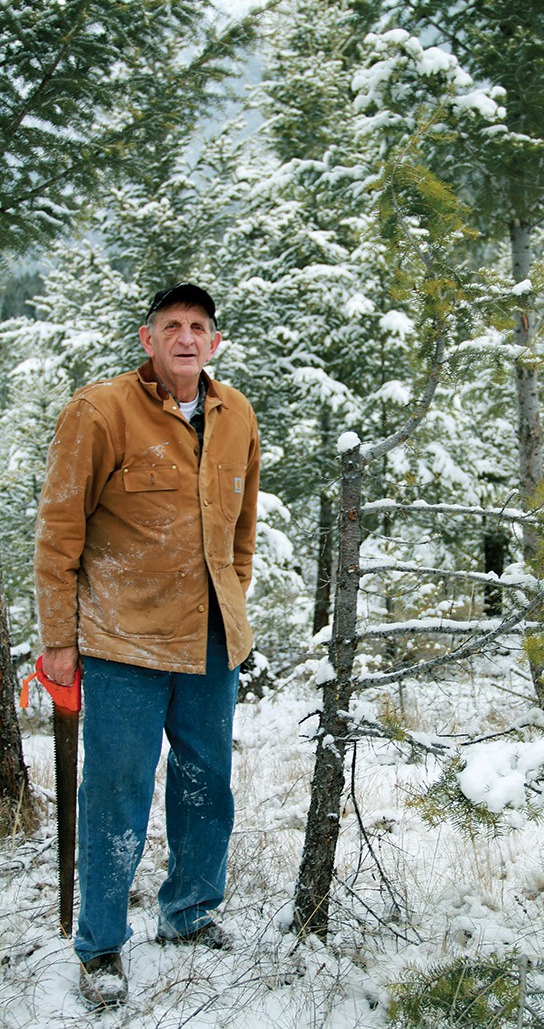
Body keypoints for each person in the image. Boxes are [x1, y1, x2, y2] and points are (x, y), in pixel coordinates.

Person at [34, 283, 259, 1009]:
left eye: (199, 327)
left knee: (205, 788)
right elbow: (58, 533)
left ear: (214, 342)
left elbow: (241, 529)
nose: (186, 338)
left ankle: (189, 917)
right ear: (148, 339)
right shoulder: (98, 413)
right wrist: (58, 642)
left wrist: (230, 597)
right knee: (115, 796)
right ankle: (100, 946)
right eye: (172, 327)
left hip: (208, 647)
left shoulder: (236, 415)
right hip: (122, 643)